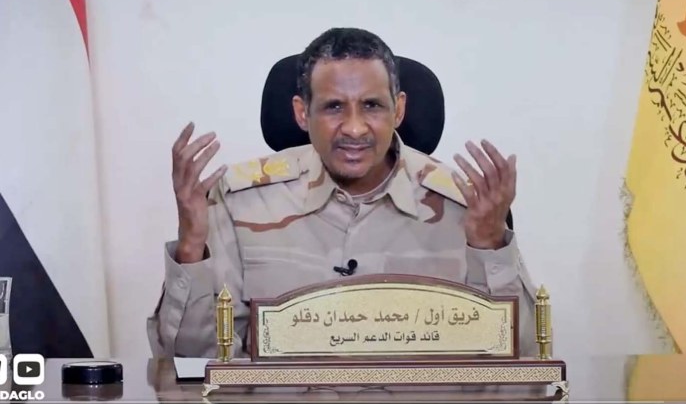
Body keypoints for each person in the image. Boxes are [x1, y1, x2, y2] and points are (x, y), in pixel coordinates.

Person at [147, 27, 539, 359]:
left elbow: (524, 361)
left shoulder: (465, 205)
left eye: (372, 105)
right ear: (302, 113)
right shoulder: (240, 201)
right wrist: (191, 247)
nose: (354, 128)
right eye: (334, 107)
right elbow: (192, 364)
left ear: (399, 110)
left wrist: (489, 245)